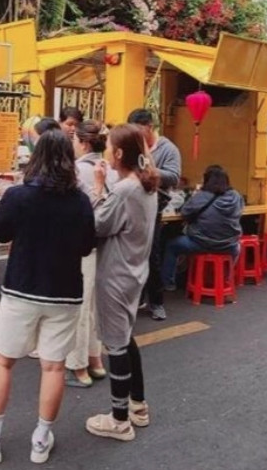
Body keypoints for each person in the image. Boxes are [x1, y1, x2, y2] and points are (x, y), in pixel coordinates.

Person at [0, 129, 96, 466]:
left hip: (21, 289)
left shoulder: (19, 196)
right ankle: (41, 441)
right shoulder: (80, 201)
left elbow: (1, 232)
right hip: (65, 293)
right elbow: (86, 245)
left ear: (36, 157)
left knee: (3, 360)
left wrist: (1, 197)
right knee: (53, 367)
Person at [85, 124, 159, 442]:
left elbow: (98, 224)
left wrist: (98, 187)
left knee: (115, 344)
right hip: (133, 270)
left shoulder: (126, 189)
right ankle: (137, 406)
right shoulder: (144, 184)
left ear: (118, 153)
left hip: (115, 273)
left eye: (109, 147)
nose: (105, 152)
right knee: (126, 338)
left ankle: (119, 420)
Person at [65, 121, 114, 389]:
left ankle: (77, 366)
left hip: (82, 244)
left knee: (79, 307)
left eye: (74, 140)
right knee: (95, 306)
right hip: (104, 245)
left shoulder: (77, 171)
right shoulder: (111, 171)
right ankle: (96, 360)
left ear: (83, 143)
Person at [127, 108, 181, 322]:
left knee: (152, 255)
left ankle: (157, 302)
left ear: (149, 127)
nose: (136, 136)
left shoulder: (168, 149)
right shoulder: (134, 146)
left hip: (154, 206)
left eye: (139, 131)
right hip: (132, 205)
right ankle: (135, 299)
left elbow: (174, 177)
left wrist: (149, 171)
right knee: (132, 255)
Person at [160, 165, 244, 291]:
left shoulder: (203, 196)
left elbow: (185, 212)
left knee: (172, 245)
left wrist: (195, 197)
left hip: (201, 243)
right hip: (229, 245)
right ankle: (225, 279)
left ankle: (168, 283)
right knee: (238, 246)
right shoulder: (236, 196)